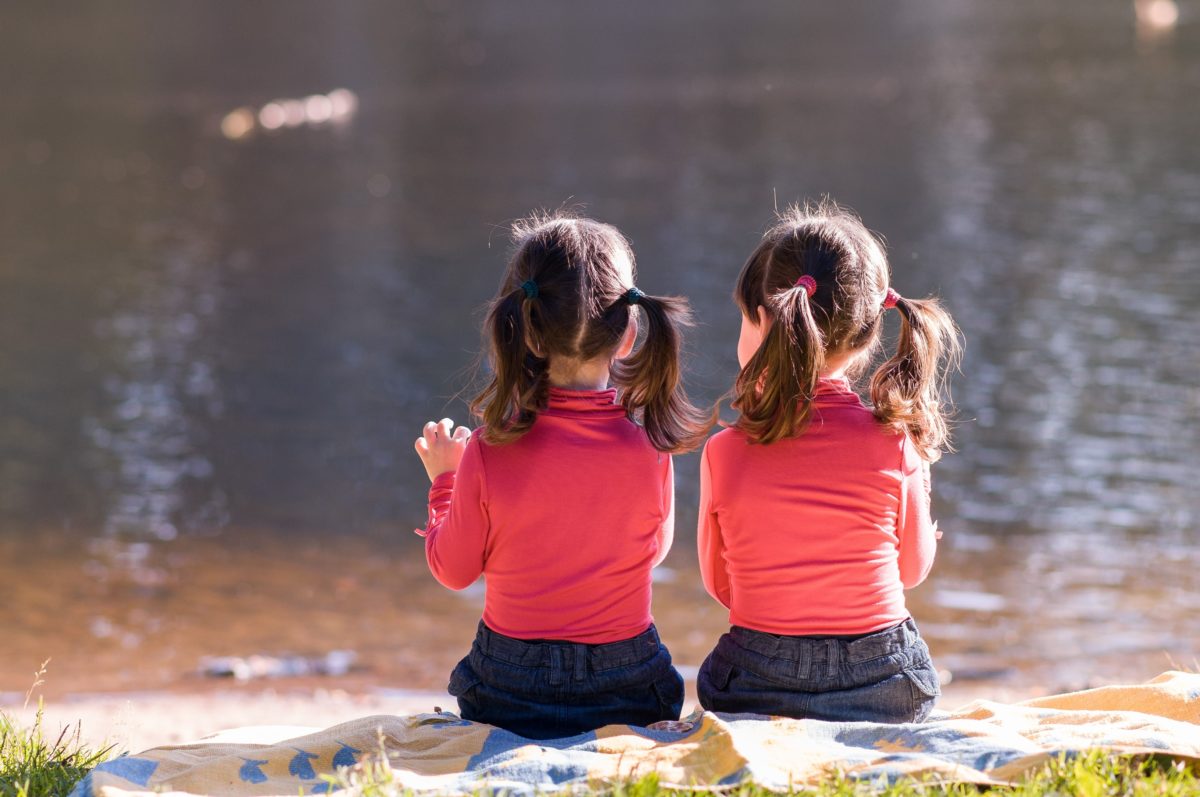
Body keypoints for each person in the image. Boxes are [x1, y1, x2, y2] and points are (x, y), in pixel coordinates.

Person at [414, 212, 710, 739]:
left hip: (510, 689)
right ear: (628, 334)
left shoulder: (487, 450)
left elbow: (452, 571)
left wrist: (445, 484)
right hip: (628, 683)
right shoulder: (649, 444)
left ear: (524, 329)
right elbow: (655, 549)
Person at [696, 200, 960, 723]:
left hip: (756, 682)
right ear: (866, 337)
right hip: (883, 682)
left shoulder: (724, 451)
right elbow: (909, 571)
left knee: (710, 676)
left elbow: (720, 585)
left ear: (767, 319)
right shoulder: (894, 440)